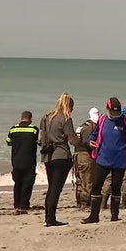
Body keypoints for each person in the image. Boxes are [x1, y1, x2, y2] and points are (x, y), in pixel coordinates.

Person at [82, 97, 126, 224]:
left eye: (117, 112)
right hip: (103, 159)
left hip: (120, 161)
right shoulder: (102, 120)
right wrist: (90, 142)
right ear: (108, 109)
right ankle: (94, 216)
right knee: (96, 186)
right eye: (113, 112)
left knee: (116, 187)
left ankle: (114, 216)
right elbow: (94, 135)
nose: (116, 115)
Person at [39, 93, 80, 227]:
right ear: (69, 106)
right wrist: (82, 141)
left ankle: (48, 218)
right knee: (56, 189)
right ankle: (51, 219)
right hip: (61, 155)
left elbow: (40, 139)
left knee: (51, 188)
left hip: (48, 156)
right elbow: (72, 139)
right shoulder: (66, 118)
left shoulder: (46, 118)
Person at [6, 111, 39, 214]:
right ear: (30, 119)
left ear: (21, 118)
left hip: (16, 160)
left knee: (18, 183)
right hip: (29, 161)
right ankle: (24, 204)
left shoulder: (13, 129)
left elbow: (8, 142)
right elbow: (39, 142)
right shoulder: (33, 129)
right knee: (27, 183)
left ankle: (17, 204)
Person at [73, 107, 98, 209]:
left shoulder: (80, 127)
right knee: (87, 180)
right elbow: (87, 142)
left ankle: (79, 202)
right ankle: (86, 203)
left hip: (77, 155)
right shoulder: (89, 128)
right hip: (85, 156)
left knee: (79, 180)